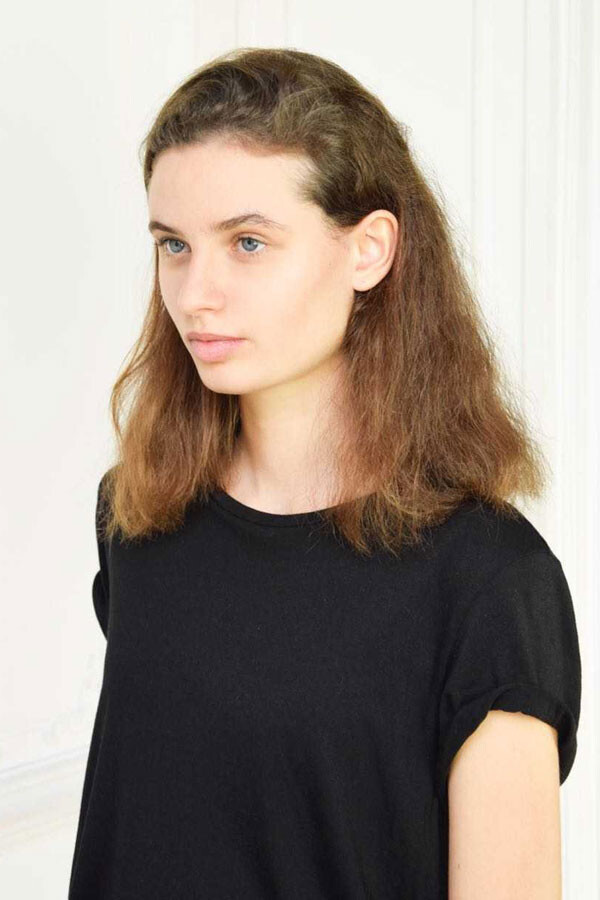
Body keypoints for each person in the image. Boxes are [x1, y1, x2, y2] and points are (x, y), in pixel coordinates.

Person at [68, 47, 581, 899]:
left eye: (248, 242)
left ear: (369, 250)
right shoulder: (136, 514)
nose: (194, 293)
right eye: (174, 245)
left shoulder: (489, 580)